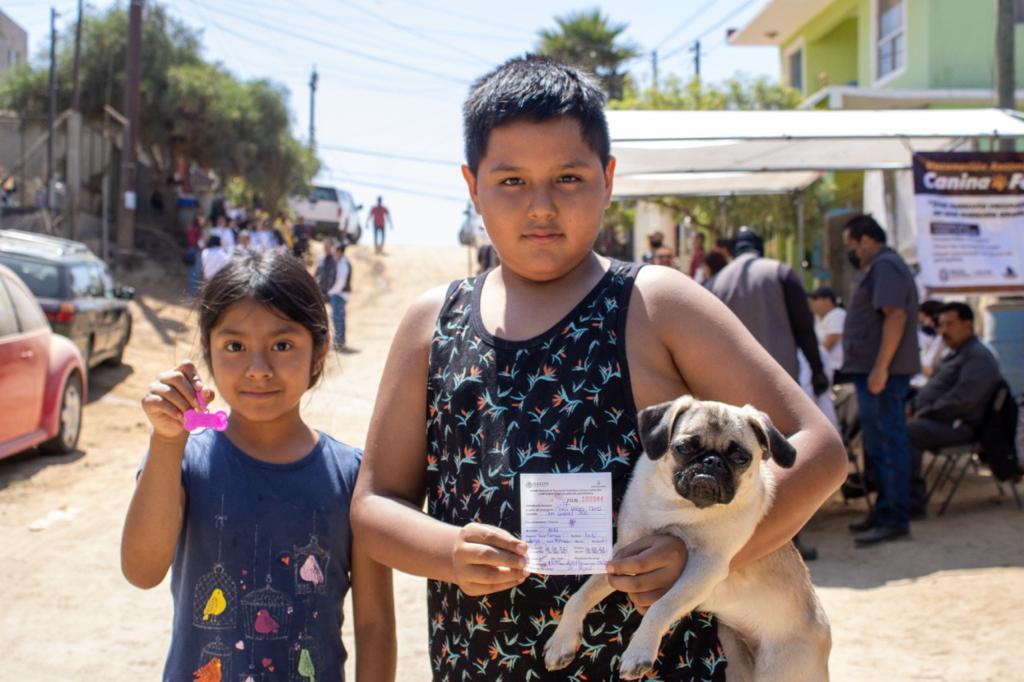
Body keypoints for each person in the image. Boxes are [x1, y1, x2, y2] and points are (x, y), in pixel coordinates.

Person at [350, 55, 846, 681]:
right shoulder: (433, 323)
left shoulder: (656, 304)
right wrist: (445, 552)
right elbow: (374, 505)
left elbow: (820, 449)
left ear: (608, 179)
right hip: (480, 661)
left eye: (568, 178)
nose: (540, 207)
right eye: (510, 182)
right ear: (471, 185)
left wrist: (701, 559)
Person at [121, 251, 395, 682]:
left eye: (282, 345)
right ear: (208, 353)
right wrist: (166, 440)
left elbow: (375, 626)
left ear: (319, 351)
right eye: (235, 346)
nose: (258, 369)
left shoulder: (351, 477)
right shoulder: (184, 457)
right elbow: (141, 570)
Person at [709, 226, 830, 560]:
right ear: (760, 248)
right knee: (784, 457)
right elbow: (804, 328)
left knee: (739, 462)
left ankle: (741, 540)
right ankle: (788, 536)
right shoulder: (781, 273)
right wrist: (818, 369)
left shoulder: (715, 282)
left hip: (727, 387)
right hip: (778, 386)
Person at [841, 214, 920, 545]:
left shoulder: (886, 266)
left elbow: (895, 317)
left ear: (867, 240)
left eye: (852, 247)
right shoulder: (880, 267)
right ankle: (884, 509)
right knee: (878, 445)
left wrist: (880, 368)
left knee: (888, 444)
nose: (853, 254)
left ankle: (894, 517)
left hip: (882, 376)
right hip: (876, 373)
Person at [906, 302, 1002, 512]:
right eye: (941, 325)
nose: (943, 331)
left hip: (961, 425)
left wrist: (924, 412)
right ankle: (877, 485)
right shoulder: (956, 352)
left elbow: (963, 401)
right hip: (941, 418)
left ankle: (912, 500)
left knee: (908, 432)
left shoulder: (978, 357)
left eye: (950, 325)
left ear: (967, 325)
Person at [808, 286, 846, 384]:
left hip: (837, 369)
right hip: (824, 368)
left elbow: (831, 340)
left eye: (815, 298)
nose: (812, 302)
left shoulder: (838, 314)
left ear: (827, 300)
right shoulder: (818, 318)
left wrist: (813, 360)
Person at [912, 299, 948, 390]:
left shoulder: (943, 340)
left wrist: (913, 364)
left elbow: (932, 372)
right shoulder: (935, 338)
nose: (927, 324)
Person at [326, 242, 353, 351]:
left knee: (338, 319)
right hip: (337, 294)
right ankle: (338, 342)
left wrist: (331, 291)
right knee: (336, 318)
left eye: (335, 251)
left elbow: (341, 281)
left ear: (340, 252)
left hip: (339, 294)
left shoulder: (343, 263)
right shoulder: (339, 262)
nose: (333, 253)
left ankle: (340, 343)